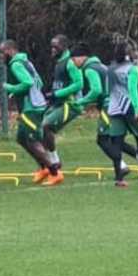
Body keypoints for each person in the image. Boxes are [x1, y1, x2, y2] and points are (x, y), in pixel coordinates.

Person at [1, 39, 61, 185]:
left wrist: (10, 88)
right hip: (35, 104)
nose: (1, 56)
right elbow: (38, 81)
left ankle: (54, 172)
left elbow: (27, 83)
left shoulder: (15, 64)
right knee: (21, 138)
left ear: (10, 51)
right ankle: (43, 168)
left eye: (2, 53)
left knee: (32, 140)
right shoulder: (26, 62)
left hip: (31, 108)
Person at [104, 41, 138, 186]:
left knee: (117, 142)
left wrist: (108, 107)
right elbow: (133, 90)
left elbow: (107, 90)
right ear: (128, 54)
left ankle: (119, 178)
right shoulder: (132, 69)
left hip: (114, 109)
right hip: (129, 108)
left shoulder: (110, 69)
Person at [40, 34, 84, 172]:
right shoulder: (59, 62)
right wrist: (51, 96)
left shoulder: (69, 63)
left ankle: (54, 162)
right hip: (59, 103)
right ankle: (49, 164)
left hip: (70, 104)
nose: (52, 49)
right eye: (51, 46)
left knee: (46, 125)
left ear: (64, 47)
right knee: (38, 129)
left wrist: (57, 94)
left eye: (56, 46)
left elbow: (79, 84)